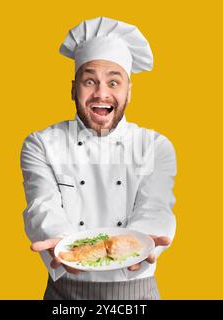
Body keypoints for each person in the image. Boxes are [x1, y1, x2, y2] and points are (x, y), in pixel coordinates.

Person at [20, 16, 177, 300]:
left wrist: (139, 245)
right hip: (65, 290)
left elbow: (156, 208)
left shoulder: (155, 146)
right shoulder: (41, 144)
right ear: (72, 89)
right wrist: (63, 245)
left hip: (135, 290)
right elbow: (42, 206)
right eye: (89, 81)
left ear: (129, 91)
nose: (101, 93)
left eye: (114, 82)